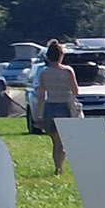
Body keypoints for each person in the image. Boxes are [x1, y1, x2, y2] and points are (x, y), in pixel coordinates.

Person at [36, 39, 82, 175]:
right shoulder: (68, 71)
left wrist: (38, 114)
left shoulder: (44, 73)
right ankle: (59, 168)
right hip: (65, 107)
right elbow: (76, 91)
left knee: (56, 142)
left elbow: (40, 95)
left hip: (50, 107)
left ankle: (58, 167)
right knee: (62, 143)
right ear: (61, 55)